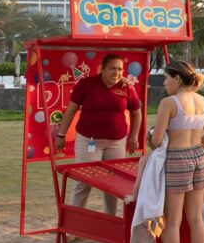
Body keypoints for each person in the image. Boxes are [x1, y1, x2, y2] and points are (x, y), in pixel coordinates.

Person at [150, 61, 204, 243]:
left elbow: (157, 140)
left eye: (166, 79)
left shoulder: (169, 103)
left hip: (176, 159)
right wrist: (196, 144)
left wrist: (154, 139)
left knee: (172, 222)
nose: (165, 84)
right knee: (196, 218)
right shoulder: (203, 101)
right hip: (198, 157)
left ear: (177, 78)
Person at [54, 53, 142, 215]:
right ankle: (75, 223)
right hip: (89, 140)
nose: (117, 72)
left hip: (116, 142)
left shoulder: (127, 87)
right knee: (84, 181)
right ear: (103, 69)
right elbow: (71, 110)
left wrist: (134, 137)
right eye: (112, 68)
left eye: (120, 69)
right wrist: (61, 135)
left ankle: (112, 218)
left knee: (113, 182)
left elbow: (137, 113)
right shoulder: (87, 84)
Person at [127, 128, 165, 243]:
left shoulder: (145, 159)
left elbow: (138, 183)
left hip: (149, 201)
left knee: (147, 232)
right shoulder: (167, 157)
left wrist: (133, 197)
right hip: (163, 200)